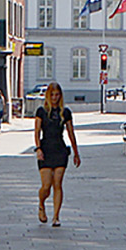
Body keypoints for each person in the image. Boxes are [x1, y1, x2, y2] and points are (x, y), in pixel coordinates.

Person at [34, 82, 79, 225]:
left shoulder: (65, 112)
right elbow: (37, 132)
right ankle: (41, 204)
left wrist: (76, 152)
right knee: (46, 185)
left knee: (57, 183)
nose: (54, 97)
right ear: (48, 95)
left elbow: (71, 133)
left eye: (57, 94)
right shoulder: (41, 111)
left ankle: (56, 216)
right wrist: (38, 148)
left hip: (60, 150)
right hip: (46, 149)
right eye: (52, 94)